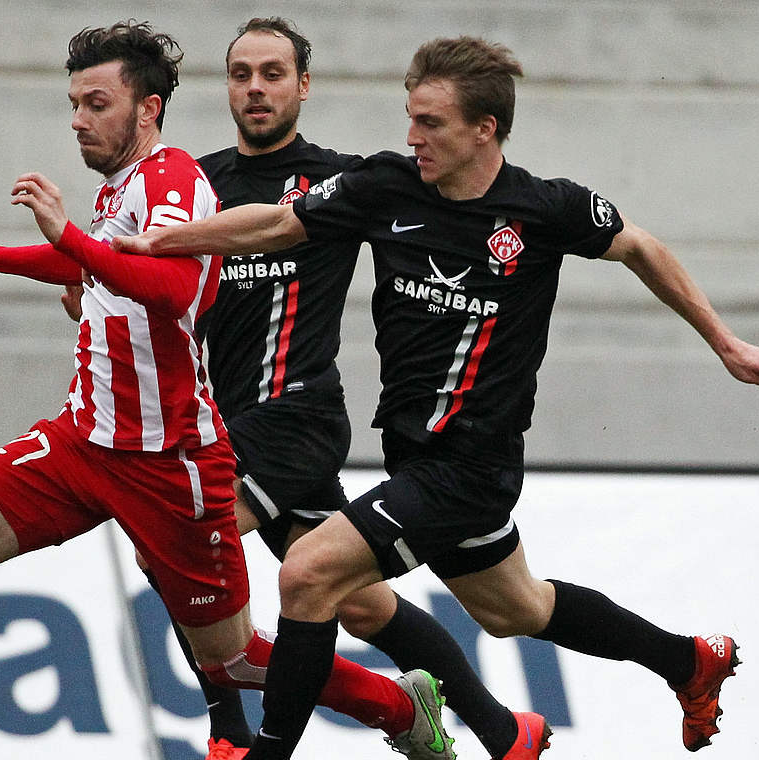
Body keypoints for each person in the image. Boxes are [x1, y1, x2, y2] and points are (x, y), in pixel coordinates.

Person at [114, 35, 759, 759]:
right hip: (415, 458)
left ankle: (261, 751)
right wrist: (160, 244)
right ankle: (688, 661)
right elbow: (280, 223)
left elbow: (641, 247)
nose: (413, 137)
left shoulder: (544, 209)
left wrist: (726, 343)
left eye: (430, 124)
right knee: (517, 610)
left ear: (485, 129)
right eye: (410, 118)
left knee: (307, 574)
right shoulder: (387, 186)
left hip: (468, 468)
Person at [0, 21, 454, 760]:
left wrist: (70, 238)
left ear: (148, 109)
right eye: (74, 103)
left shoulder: (177, 181)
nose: (78, 119)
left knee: (233, 660)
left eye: (97, 103)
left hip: (171, 464)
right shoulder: (120, 189)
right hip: (82, 440)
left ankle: (396, 704)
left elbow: (173, 286)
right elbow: (92, 265)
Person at [128, 18, 547, 760]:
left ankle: (229, 732)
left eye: (273, 74)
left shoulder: (344, 181)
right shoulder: (197, 182)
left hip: (295, 418)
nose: (256, 88)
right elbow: (151, 269)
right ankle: (500, 727)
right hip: (228, 425)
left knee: (178, 541)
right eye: (241, 74)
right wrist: (94, 278)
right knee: (359, 603)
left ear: (303, 86)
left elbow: (449, 209)